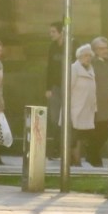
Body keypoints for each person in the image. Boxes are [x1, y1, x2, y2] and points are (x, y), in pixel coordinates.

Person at [88, 36, 108, 168]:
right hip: (95, 101)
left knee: (105, 131)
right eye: (101, 48)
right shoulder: (91, 63)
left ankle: (93, 155)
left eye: (106, 48)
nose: (105, 51)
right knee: (98, 130)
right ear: (94, 50)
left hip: (107, 101)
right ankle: (93, 156)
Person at [69, 44, 98, 166]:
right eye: (85, 55)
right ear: (79, 56)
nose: (88, 58)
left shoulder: (91, 69)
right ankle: (75, 161)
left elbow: (93, 90)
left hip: (87, 109)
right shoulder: (74, 69)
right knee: (74, 137)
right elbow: (68, 89)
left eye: (89, 55)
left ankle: (77, 160)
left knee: (81, 136)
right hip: (75, 108)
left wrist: (94, 107)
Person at [44, 21, 65, 158]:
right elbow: (50, 68)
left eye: (53, 32)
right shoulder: (52, 47)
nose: (50, 34)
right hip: (56, 87)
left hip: (70, 87)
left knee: (67, 119)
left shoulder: (73, 45)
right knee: (54, 118)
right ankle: (56, 148)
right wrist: (48, 88)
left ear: (61, 32)